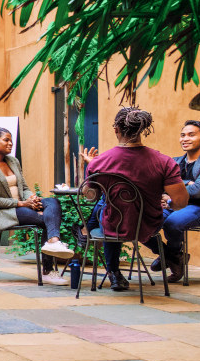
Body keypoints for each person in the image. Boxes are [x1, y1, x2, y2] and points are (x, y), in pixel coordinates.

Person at [80, 107, 189, 291]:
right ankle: (170, 255)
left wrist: (90, 174)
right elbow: (180, 203)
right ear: (142, 130)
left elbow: (91, 197)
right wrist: (166, 201)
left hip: (113, 225)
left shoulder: (100, 162)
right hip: (149, 223)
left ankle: (113, 273)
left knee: (106, 211)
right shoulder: (164, 162)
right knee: (130, 217)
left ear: (116, 129)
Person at [0, 127, 73, 285]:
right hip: (3, 212)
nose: (10, 143)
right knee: (46, 219)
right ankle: (48, 270)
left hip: (24, 206)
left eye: (11, 140)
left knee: (53, 202)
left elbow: (24, 189)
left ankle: (53, 242)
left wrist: (32, 199)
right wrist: (21, 203)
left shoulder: (13, 161)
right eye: (6, 140)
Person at [146, 120, 200, 281]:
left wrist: (171, 193)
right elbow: (158, 184)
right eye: (183, 135)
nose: (185, 139)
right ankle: (171, 256)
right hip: (170, 205)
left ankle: (172, 253)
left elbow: (198, 191)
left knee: (173, 222)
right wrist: (184, 184)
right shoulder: (174, 161)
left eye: (191, 135)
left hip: (199, 209)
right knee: (141, 221)